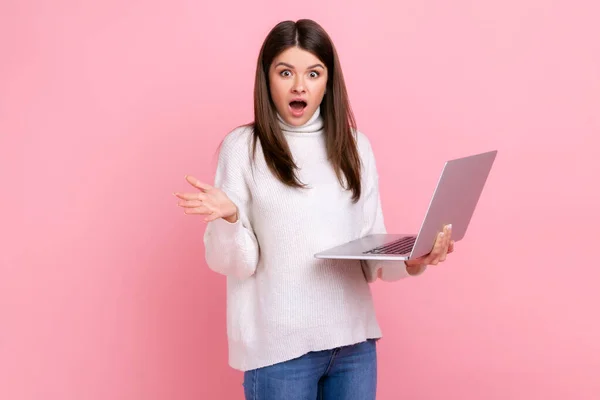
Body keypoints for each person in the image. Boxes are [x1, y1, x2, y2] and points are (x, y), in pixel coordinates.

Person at [175, 18, 454, 400]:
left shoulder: (355, 147)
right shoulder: (243, 148)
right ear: (267, 78)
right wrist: (230, 218)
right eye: (285, 72)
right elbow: (234, 264)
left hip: (354, 345)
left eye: (313, 73)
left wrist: (413, 259)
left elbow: (370, 256)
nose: (299, 85)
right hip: (279, 352)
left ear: (328, 81)